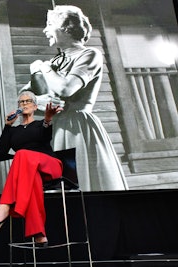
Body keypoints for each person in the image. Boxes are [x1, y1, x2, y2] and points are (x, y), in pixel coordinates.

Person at [21, 5, 128, 191]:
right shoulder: (55, 62)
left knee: (80, 187)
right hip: (53, 130)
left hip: (76, 128)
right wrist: (38, 101)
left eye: (49, 24)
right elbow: (23, 99)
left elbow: (65, 88)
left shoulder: (89, 54)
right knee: (56, 192)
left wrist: (41, 67)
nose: (45, 30)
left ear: (66, 27)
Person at [0, 91, 63, 245]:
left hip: (49, 165)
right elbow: (1, 151)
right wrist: (8, 126)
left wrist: (47, 119)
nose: (25, 104)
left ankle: (5, 207)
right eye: (21, 102)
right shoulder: (14, 131)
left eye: (28, 101)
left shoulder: (41, 124)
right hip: (30, 172)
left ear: (35, 106)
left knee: (20, 154)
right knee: (32, 181)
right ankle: (39, 233)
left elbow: (45, 136)